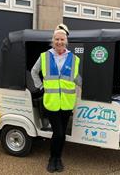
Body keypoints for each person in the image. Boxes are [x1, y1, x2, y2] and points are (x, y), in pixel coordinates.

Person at [31, 23, 81, 173]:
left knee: (62, 133)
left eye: (62, 39)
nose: (59, 42)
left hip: (67, 103)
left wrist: (89, 86)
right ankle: (52, 158)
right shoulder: (45, 56)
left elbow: (75, 77)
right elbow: (34, 72)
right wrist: (41, 86)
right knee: (58, 132)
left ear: (66, 41)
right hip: (51, 102)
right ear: (53, 40)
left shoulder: (74, 58)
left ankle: (58, 158)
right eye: (57, 39)